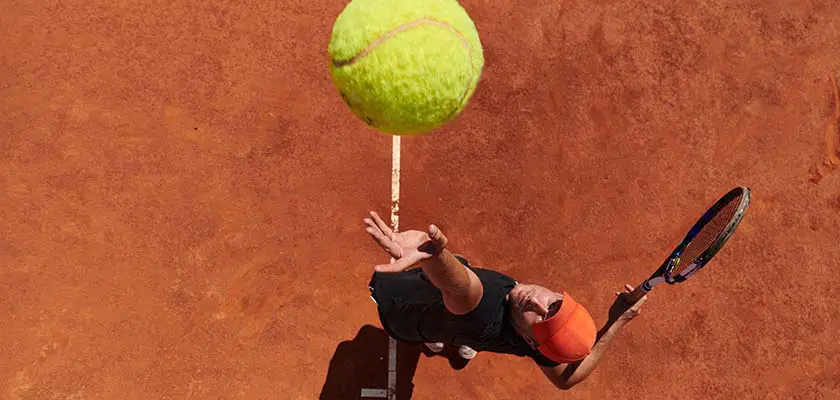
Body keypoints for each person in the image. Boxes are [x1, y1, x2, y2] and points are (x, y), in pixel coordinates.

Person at [362, 211, 647, 390]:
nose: (536, 302)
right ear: (561, 295)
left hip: (405, 314)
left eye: (541, 320)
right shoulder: (539, 344)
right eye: (554, 304)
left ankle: (446, 338)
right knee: (460, 317)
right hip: (466, 325)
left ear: (531, 340)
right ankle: (461, 342)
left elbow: (461, 287)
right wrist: (620, 318)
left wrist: (435, 256)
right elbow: (567, 379)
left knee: (442, 290)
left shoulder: (486, 306)